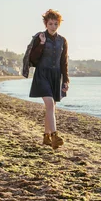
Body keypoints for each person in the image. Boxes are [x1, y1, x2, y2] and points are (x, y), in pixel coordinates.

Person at [28, 9, 70, 149]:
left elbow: (64, 62)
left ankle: (46, 137)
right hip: (42, 75)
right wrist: (40, 44)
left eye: (55, 24)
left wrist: (65, 80)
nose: (53, 26)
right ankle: (55, 136)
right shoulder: (39, 37)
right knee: (50, 104)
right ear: (46, 24)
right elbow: (33, 59)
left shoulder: (62, 41)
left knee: (51, 107)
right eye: (50, 23)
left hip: (56, 76)